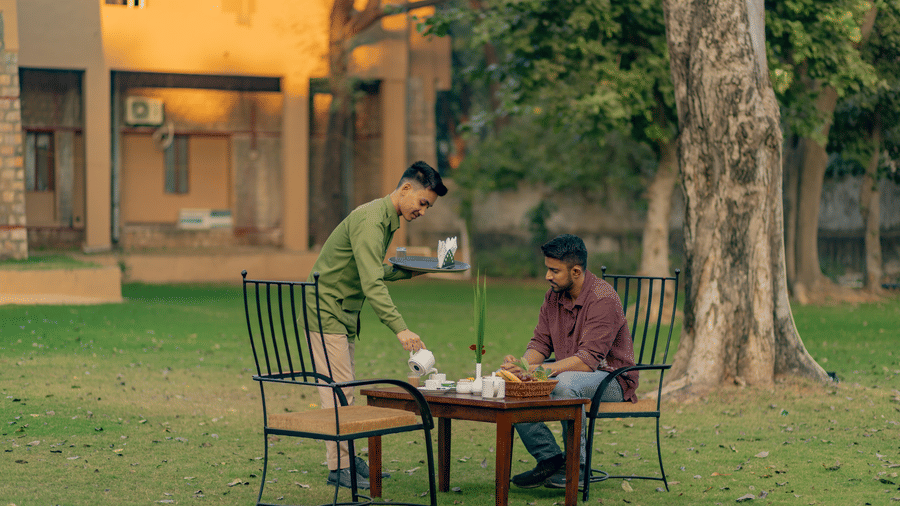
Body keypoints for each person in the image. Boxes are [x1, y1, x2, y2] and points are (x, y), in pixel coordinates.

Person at [305, 161, 447, 489]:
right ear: (406, 189)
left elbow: (374, 270)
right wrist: (400, 328)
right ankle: (339, 467)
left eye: (429, 207)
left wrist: (415, 268)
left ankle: (348, 459)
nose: (423, 211)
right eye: (423, 203)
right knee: (337, 391)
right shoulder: (371, 220)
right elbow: (372, 282)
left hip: (342, 313)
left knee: (344, 388)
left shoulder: (383, 220)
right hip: (326, 311)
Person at [500, 234, 639, 490]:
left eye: (554, 270)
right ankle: (550, 459)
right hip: (570, 374)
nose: (548, 276)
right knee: (516, 385)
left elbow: (587, 362)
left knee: (564, 383)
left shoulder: (603, 298)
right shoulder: (553, 296)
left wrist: (540, 370)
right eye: (547, 269)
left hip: (612, 379)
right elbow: (540, 343)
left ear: (576, 271)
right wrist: (521, 366)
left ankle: (578, 466)